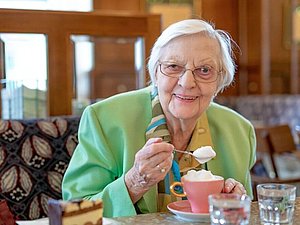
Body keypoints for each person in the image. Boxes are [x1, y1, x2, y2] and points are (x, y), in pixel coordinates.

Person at [62, 19, 256, 218]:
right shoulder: (105, 119)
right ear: (155, 73)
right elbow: (75, 216)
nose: (187, 82)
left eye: (204, 70)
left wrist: (235, 205)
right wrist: (134, 183)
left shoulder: (239, 131)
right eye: (173, 66)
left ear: (220, 80)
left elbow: (245, 215)